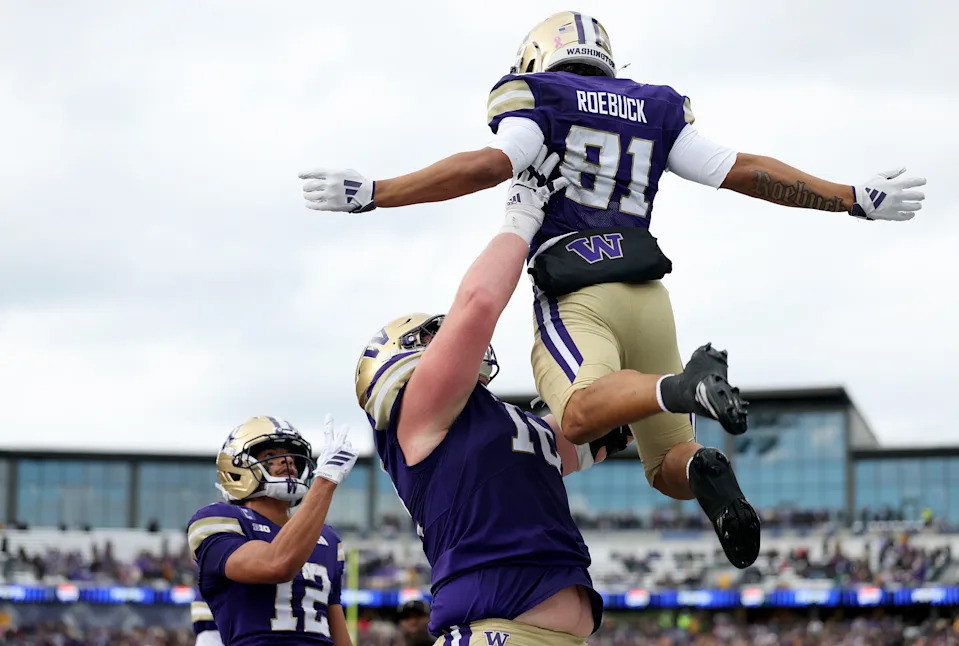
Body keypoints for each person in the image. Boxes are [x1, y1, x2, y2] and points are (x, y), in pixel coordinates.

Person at [299, 11, 925, 570]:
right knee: (669, 465)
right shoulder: (653, 107)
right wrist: (852, 198)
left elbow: (489, 165)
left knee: (577, 412)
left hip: (579, 289)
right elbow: (743, 170)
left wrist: (377, 193)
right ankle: (704, 466)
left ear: (537, 58)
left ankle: (680, 388)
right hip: (649, 296)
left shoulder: (541, 99)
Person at [352, 150, 736, 645]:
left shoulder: (499, 424)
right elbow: (478, 304)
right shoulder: (415, 412)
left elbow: (591, 434)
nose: (445, 340)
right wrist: (520, 218)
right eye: (431, 336)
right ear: (395, 360)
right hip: (494, 630)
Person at [186, 415, 358, 645]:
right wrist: (325, 482)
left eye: (291, 456)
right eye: (271, 455)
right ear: (237, 466)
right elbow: (276, 564)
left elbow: (338, 634)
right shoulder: (219, 520)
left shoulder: (327, 538)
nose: (288, 462)